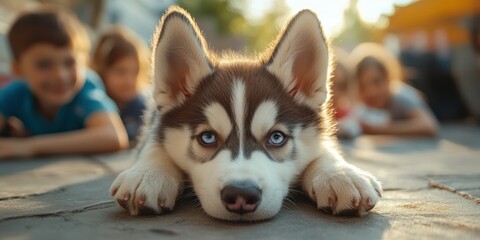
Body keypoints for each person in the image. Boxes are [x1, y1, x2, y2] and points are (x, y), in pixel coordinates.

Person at [0, 7, 129, 159]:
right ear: (18, 70)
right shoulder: (15, 93)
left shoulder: (86, 89)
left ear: (84, 63)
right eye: (44, 64)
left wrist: (29, 146)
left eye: (70, 62)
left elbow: (113, 137)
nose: (60, 75)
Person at [349, 43, 438, 137]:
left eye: (377, 82)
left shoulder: (400, 96)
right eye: (363, 86)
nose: (371, 92)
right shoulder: (362, 106)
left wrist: (382, 129)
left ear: (387, 78)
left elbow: (429, 126)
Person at [91, 27, 149, 142]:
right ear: (102, 70)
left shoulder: (143, 109)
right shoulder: (93, 102)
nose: (130, 80)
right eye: (121, 71)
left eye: (135, 72)